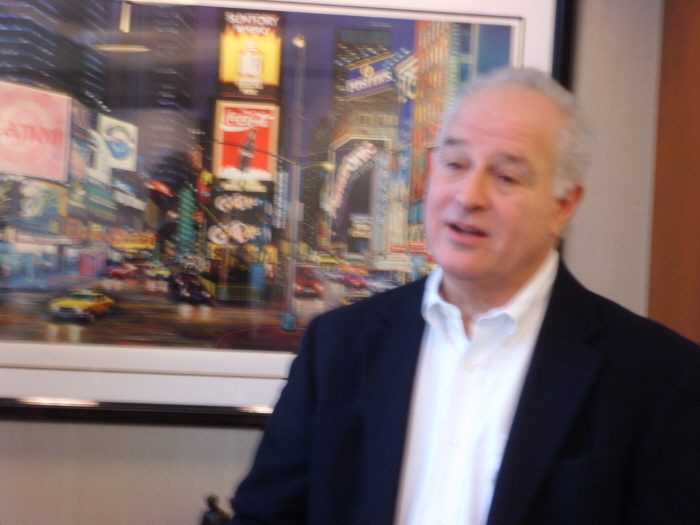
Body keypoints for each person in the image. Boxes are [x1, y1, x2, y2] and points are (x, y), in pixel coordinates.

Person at [228, 67, 700, 525]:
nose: (469, 196)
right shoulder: (337, 345)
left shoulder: (659, 376)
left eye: (507, 177)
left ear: (563, 205)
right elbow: (265, 516)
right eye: (455, 165)